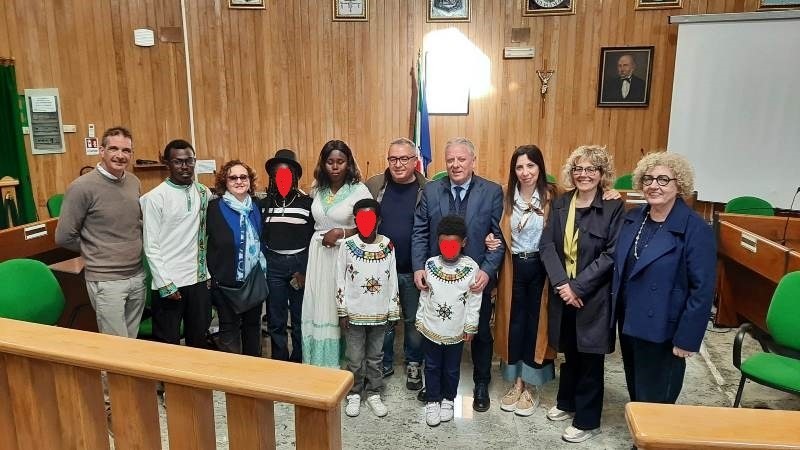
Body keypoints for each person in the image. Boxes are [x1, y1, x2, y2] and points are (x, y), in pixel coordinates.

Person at [612, 152, 716, 405]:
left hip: (665, 329)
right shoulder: (634, 218)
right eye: (648, 179)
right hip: (630, 323)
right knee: (636, 389)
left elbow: (702, 291)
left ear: (679, 185)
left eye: (663, 180)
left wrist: (687, 338)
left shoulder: (695, 228)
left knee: (657, 399)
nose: (654, 185)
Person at [412, 137, 504, 412]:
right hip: (438, 279)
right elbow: (420, 231)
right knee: (435, 333)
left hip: (476, 280)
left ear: (473, 160)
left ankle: (481, 383)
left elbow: (499, 238)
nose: (455, 164)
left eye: (461, 159)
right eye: (450, 159)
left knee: (480, 333)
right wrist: (419, 267)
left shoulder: (491, 192)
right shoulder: (431, 190)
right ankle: (434, 386)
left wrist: (487, 271)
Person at [539, 145, 624, 443]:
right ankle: (567, 403)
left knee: (590, 359)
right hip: (564, 292)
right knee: (570, 351)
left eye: (591, 169)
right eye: (578, 169)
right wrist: (563, 284)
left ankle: (588, 421)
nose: (583, 174)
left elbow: (612, 254)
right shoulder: (562, 203)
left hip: (594, 295)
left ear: (601, 174)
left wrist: (577, 287)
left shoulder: (613, 206)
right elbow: (547, 245)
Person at [485, 145, 558, 417]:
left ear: (540, 167)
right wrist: (490, 238)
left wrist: (609, 190)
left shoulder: (553, 195)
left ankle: (531, 386)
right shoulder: (505, 197)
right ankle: (516, 382)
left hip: (542, 269)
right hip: (513, 267)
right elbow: (493, 229)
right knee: (513, 324)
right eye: (519, 167)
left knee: (536, 326)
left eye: (531, 165)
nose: (525, 172)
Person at [56, 126, 146, 339]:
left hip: (137, 275)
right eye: (114, 148)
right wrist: (96, 250)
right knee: (115, 347)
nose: (120, 155)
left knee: (133, 344)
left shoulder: (134, 182)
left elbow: (136, 223)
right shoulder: (81, 187)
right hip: (106, 281)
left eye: (126, 150)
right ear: (102, 151)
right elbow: (64, 237)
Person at [302, 139, 372, 368]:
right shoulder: (317, 189)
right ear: (323, 163)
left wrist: (341, 232)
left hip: (345, 255)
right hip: (319, 255)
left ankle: (343, 366)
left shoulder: (359, 190)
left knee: (339, 307)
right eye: (330, 161)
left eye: (340, 161)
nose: (335, 166)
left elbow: (370, 225)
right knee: (319, 305)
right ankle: (318, 363)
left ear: (348, 163)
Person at [365, 137, 427, 389]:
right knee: (384, 319)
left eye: (404, 158)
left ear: (415, 161)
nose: (398, 164)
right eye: (393, 158)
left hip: (413, 269)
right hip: (380, 268)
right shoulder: (374, 185)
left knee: (413, 320)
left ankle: (414, 363)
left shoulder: (428, 188)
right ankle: (384, 362)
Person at [140, 139, 212, 348]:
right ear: (167, 164)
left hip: (198, 280)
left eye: (189, 161)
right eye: (178, 162)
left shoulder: (203, 193)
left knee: (199, 340)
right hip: (169, 282)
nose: (184, 167)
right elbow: (151, 246)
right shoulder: (155, 198)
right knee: (168, 344)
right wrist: (165, 283)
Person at [416, 215, 482, 427]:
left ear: (464, 243)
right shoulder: (430, 264)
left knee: (452, 368)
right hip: (431, 327)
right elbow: (424, 294)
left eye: (453, 244)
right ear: (438, 242)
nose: (448, 249)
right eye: (444, 244)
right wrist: (420, 319)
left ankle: (448, 399)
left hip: (456, 330)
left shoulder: (472, 268)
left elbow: (474, 300)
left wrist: (471, 326)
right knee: (431, 366)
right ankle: (432, 400)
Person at [337, 198, 400, 418]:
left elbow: (392, 280)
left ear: (379, 220)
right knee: (354, 357)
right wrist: (342, 310)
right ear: (356, 220)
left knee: (376, 357)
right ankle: (354, 393)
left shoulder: (388, 245)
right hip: (354, 313)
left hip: (380, 313)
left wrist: (393, 309)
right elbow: (340, 279)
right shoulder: (347, 245)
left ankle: (374, 392)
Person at [207, 160, 267, 356]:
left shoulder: (257, 206)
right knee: (229, 331)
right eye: (233, 177)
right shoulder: (213, 208)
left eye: (243, 177)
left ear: (250, 181)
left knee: (253, 328)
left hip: (254, 280)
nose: (239, 181)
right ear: (225, 181)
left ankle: (252, 370)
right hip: (225, 283)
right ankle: (232, 373)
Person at [260, 149, 314, 362]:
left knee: (300, 318)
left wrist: (304, 270)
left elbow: (312, 239)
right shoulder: (264, 204)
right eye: (277, 175)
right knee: (276, 319)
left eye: (287, 174)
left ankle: (299, 360)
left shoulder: (307, 204)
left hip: (299, 265)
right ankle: (280, 361)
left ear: (295, 176)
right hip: (273, 265)